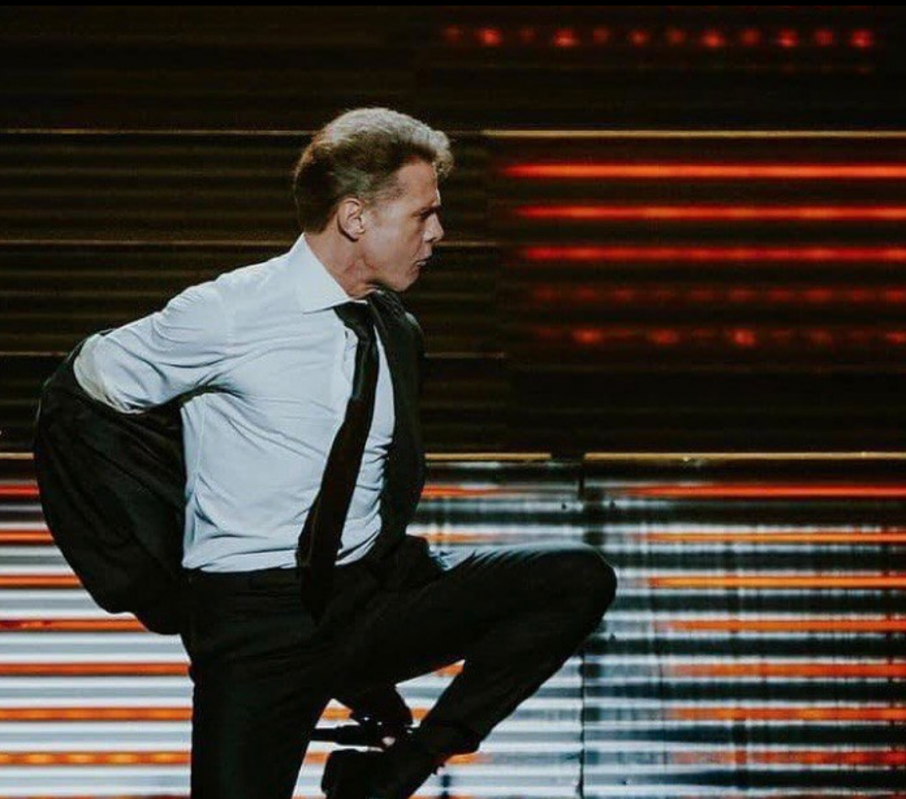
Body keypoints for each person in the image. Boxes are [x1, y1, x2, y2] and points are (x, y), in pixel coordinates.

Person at [66, 107, 618, 799]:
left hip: (368, 598)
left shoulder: (394, 329)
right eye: (424, 214)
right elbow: (82, 394)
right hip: (256, 626)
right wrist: (147, 562)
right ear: (356, 217)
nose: (439, 232)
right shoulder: (229, 311)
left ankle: (398, 771)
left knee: (574, 578)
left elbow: (370, 480)